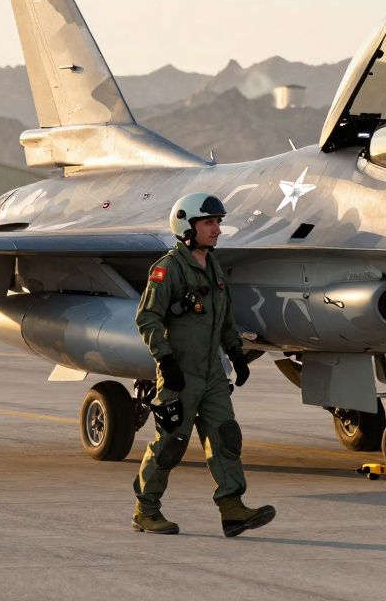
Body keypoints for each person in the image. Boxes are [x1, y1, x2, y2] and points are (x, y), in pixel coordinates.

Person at [131, 192, 275, 537]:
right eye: (209, 222)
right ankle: (146, 510)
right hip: (180, 376)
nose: (217, 229)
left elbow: (224, 318)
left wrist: (237, 354)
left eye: (218, 222)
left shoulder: (213, 268)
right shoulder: (168, 269)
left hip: (212, 374)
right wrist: (165, 360)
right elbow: (147, 318)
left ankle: (233, 509)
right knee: (170, 445)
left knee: (225, 436)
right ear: (188, 226)